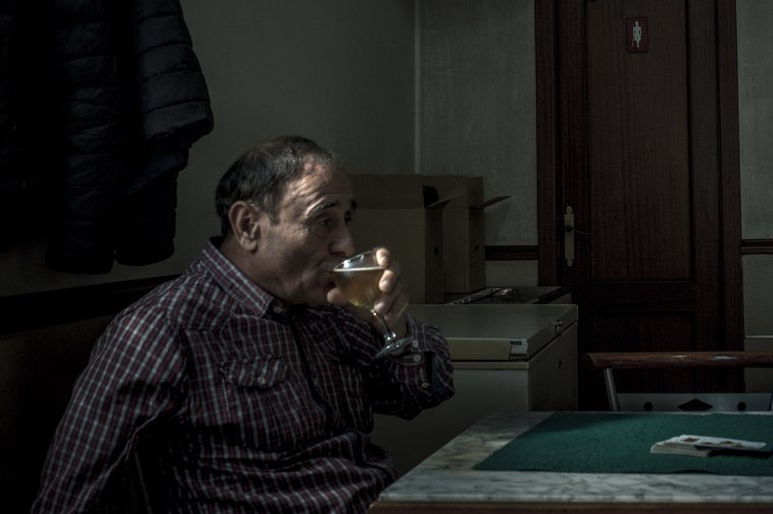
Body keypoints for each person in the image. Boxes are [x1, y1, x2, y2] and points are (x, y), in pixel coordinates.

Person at [31, 136, 455, 514]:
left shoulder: (328, 310)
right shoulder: (163, 328)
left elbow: (421, 393)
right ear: (249, 226)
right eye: (324, 220)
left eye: (347, 219)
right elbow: (70, 498)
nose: (346, 243)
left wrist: (392, 325)